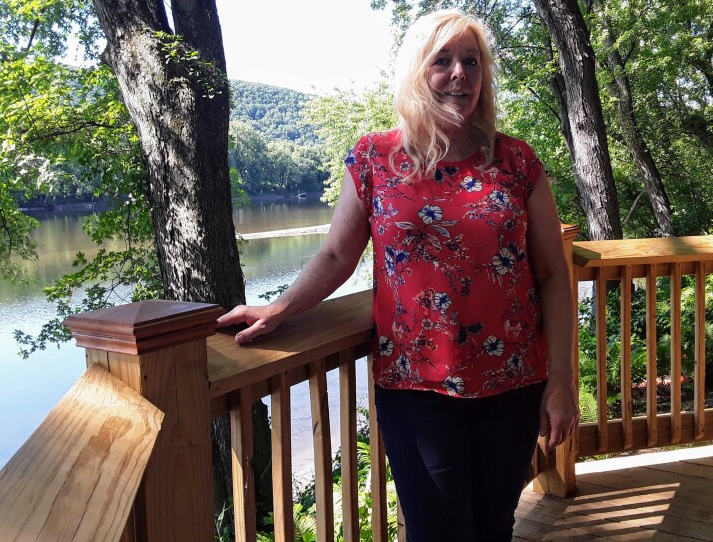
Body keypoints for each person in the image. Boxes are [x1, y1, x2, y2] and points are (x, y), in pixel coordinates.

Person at [217, 9, 579, 541]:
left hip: (513, 382)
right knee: (437, 530)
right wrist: (280, 306)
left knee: (494, 525)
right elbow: (338, 257)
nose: (460, 73)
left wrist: (562, 383)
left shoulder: (516, 161)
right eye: (443, 60)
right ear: (416, 71)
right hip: (417, 386)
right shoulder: (374, 158)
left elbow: (552, 274)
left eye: (471, 62)